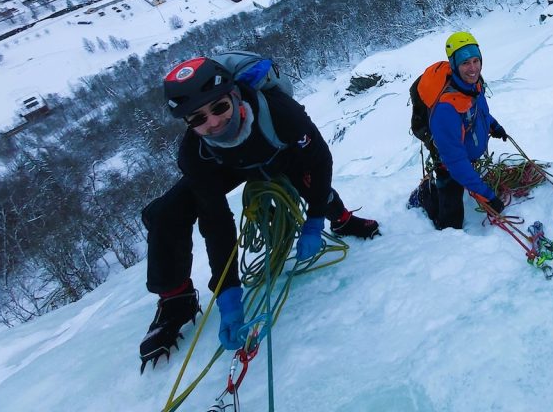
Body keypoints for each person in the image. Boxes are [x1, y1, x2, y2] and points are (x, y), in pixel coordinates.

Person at [138, 55, 379, 371]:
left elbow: (319, 161)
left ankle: (342, 219)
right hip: (224, 167)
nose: (212, 123)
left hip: (277, 152)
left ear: (234, 95)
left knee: (311, 185)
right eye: (197, 119)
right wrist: (227, 291)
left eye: (219, 107)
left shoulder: (280, 113)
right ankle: (176, 297)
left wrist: (316, 218)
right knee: (165, 213)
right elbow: (216, 221)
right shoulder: (195, 153)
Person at [411, 32, 507, 230]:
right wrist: (487, 197)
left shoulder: (473, 84)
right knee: (450, 224)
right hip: (449, 163)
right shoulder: (446, 109)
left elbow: (479, 111)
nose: (473, 68)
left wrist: (493, 125)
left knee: (462, 177)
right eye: (465, 63)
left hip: (462, 155)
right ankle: (425, 196)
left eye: (476, 60)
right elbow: (455, 162)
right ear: (454, 65)